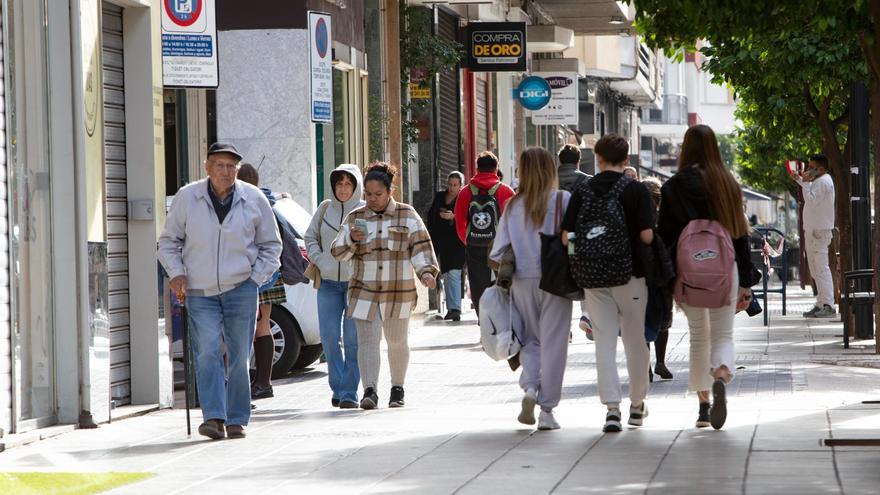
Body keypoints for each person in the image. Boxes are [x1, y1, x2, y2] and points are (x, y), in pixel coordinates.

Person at [159, 142, 281, 440]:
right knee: (207, 352)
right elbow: (168, 242)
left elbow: (271, 245)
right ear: (207, 167)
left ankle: (237, 417)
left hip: (241, 287)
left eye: (231, 167)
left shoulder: (253, 199)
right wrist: (176, 273)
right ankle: (213, 417)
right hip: (199, 290)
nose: (225, 172)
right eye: (219, 165)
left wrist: (255, 278)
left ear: (238, 170)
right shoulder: (188, 197)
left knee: (240, 355)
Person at [658, 124, 757, 430]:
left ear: (686, 149)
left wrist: (667, 274)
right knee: (723, 334)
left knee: (698, 335)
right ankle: (722, 372)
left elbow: (665, 235)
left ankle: (703, 408)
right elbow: (740, 234)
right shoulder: (727, 183)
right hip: (726, 267)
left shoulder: (673, 186)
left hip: (689, 271)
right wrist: (746, 280)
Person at [561, 134, 654, 433]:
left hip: (594, 278)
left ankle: (612, 409)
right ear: (627, 160)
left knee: (603, 341)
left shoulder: (582, 189)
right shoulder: (636, 190)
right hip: (631, 276)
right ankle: (637, 405)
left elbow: (567, 237)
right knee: (635, 340)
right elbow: (647, 237)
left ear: (598, 158)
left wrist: (581, 258)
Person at [331, 162, 439, 409]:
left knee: (396, 341)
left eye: (378, 194)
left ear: (390, 192)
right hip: (363, 290)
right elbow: (337, 251)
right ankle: (369, 391)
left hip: (397, 290)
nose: (372, 199)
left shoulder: (407, 214)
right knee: (367, 341)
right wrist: (351, 239)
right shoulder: (355, 217)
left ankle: (397, 389)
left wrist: (426, 273)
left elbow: (421, 247)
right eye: (368, 195)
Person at [490, 147, 572, 431]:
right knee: (554, 344)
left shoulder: (513, 206)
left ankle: (530, 389)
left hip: (522, 282)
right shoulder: (563, 200)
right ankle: (547, 411)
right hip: (557, 281)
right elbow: (572, 242)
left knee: (531, 341)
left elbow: (498, 251)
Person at [305, 164, 365, 409]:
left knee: (352, 341)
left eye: (347, 184)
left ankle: (349, 392)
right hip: (328, 284)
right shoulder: (325, 208)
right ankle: (338, 387)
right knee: (329, 338)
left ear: (356, 187)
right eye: (338, 184)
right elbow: (310, 237)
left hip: (355, 285)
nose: (342, 189)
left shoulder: (364, 211)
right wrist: (320, 260)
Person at [236, 163, 286, 400]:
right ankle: (264, 382)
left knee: (243, 330)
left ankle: (251, 383)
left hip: (249, 273)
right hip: (270, 273)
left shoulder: (244, 203)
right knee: (263, 325)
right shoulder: (267, 200)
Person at [454, 151, 515, 316]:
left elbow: (459, 221)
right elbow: (515, 222)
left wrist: (468, 240)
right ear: (496, 169)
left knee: (477, 285)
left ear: (477, 169)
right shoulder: (506, 191)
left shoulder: (465, 192)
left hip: (474, 245)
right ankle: (504, 320)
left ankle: (484, 322)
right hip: (500, 247)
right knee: (506, 283)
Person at [556, 144, 595, 340]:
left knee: (559, 276)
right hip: (578, 238)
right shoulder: (588, 181)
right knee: (581, 273)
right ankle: (586, 314)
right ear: (578, 160)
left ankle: (564, 327)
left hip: (554, 238)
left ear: (560, 161)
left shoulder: (550, 180)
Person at [791, 154, 835, 318]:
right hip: (813, 230)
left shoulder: (823, 181)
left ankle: (828, 304)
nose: (808, 170)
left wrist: (803, 182)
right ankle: (821, 302)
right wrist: (801, 180)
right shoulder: (818, 181)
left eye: (811, 167)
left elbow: (811, 199)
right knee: (816, 270)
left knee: (821, 268)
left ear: (821, 169)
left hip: (819, 231)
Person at [641, 176, 673, 381]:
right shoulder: (665, 218)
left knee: (643, 322)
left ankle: (646, 367)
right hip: (663, 277)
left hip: (642, 276)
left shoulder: (637, 217)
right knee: (663, 320)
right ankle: (660, 362)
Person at [426, 171, 467, 321]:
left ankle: (455, 308)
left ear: (461, 185)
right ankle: (451, 308)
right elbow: (431, 214)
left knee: (454, 273)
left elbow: (467, 217)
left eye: (455, 185)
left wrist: (454, 217)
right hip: (441, 240)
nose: (452, 188)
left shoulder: (464, 198)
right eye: (450, 184)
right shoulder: (440, 197)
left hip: (457, 241)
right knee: (446, 275)